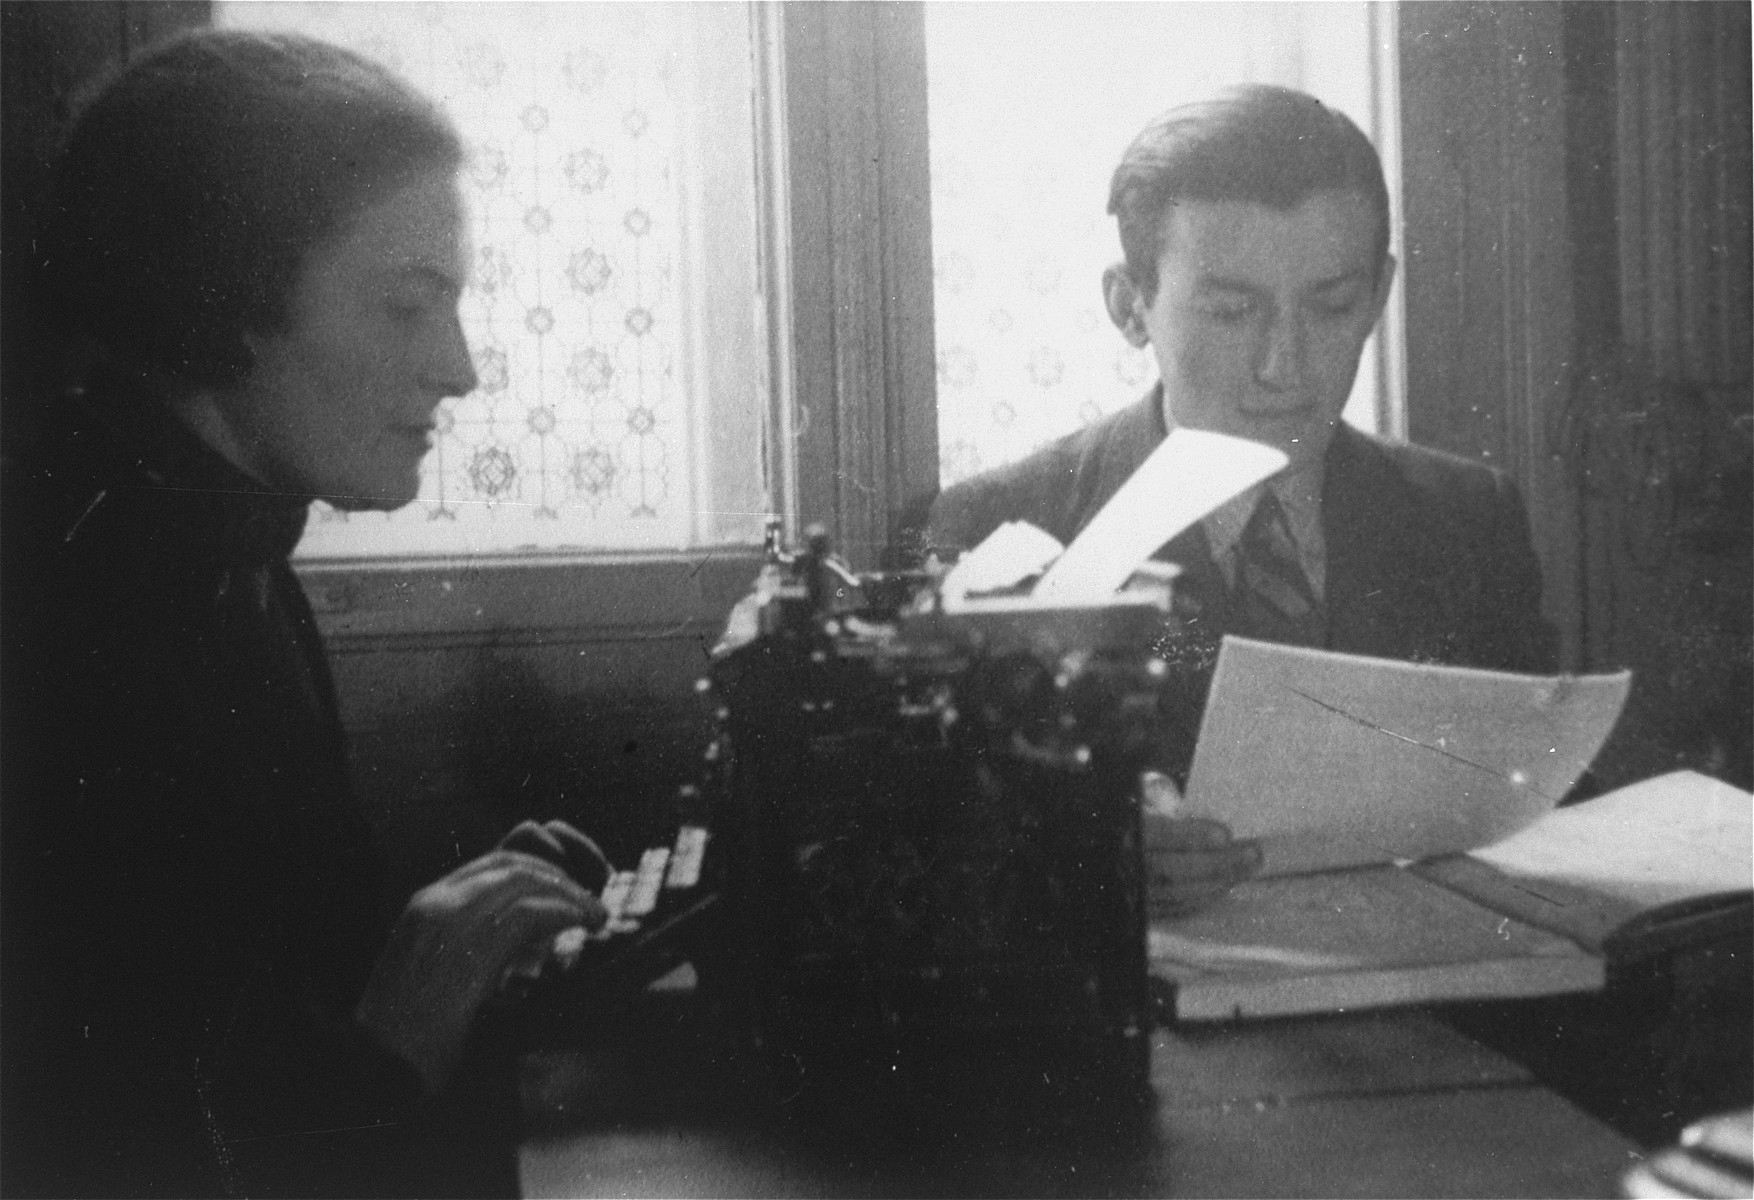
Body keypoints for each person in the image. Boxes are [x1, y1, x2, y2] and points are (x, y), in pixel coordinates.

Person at [1, 29, 612, 1197]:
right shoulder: (59, 610)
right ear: (226, 295)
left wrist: (450, 936)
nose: (461, 370)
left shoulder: (221, 547)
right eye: (405, 306)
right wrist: (398, 1024)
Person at [920, 85, 1560, 913]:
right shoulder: (1001, 528)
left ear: (1378, 293)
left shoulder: (1470, 516)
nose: (1283, 367)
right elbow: (939, 845)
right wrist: (1081, 850)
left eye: (1332, 305)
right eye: (1231, 312)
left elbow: (1543, 803)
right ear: (1129, 307)